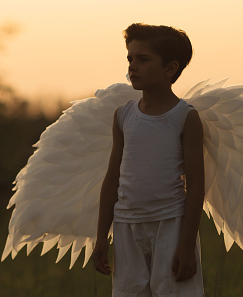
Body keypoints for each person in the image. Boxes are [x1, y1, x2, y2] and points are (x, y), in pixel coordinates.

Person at [92, 23, 205, 297]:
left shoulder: (185, 117)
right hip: (126, 226)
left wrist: (188, 244)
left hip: (171, 224)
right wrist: (100, 239)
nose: (132, 66)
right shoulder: (123, 116)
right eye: (130, 58)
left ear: (170, 68)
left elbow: (197, 185)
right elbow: (112, 179)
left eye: (143, 59)